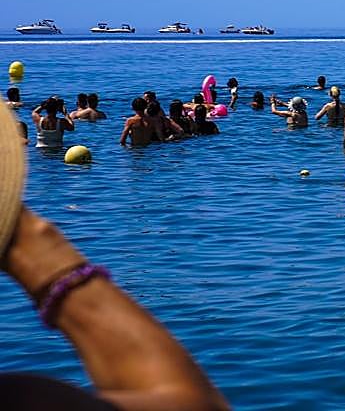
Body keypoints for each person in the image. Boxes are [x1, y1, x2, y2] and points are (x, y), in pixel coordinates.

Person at [0, 103, 229, 410]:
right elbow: (197, 404)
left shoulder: (131, 121)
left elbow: (123, 142)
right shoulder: (26, 398)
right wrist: (27, 237)